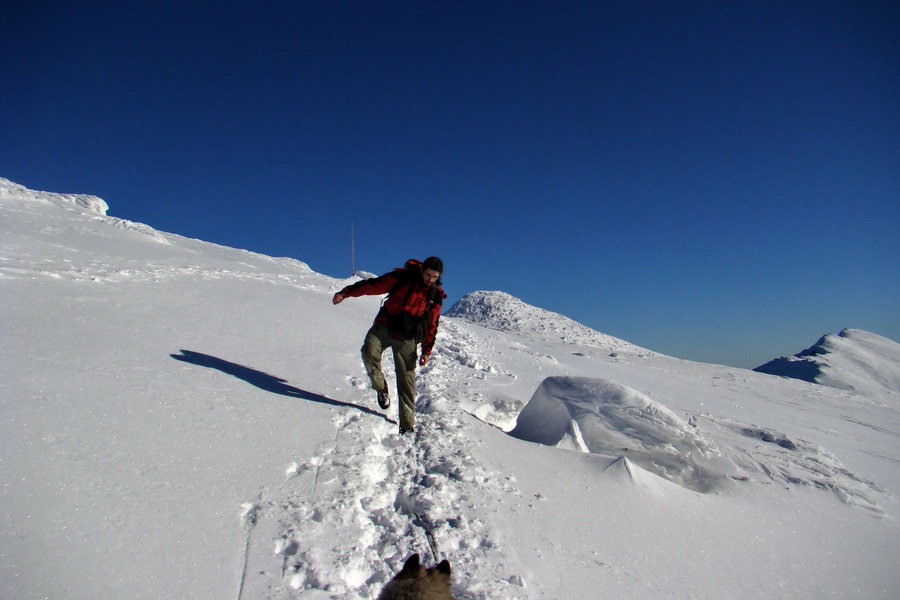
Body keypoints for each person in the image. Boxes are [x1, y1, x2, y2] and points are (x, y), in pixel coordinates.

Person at [332, 257, 446, 434]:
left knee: (406, 381)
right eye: (428, 275)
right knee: (368, 352)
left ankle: (407, 426)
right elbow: (372, 285)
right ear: (422, 270)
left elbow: (433, 324)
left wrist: (427, 350)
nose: (430, 279)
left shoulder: (435, 296)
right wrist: (345, 293)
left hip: (407, 338)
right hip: (384, 327)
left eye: (434, 277)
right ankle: (380, 387)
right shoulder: (402, 278)